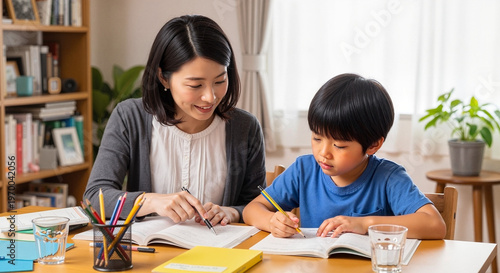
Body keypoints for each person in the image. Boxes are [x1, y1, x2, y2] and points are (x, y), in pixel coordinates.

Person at [84, 15, 266, 226]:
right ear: (163, 78)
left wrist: (232, 212)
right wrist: (150, 201)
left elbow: (257, 205)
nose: (210, 97)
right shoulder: (129, 117)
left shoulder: (245, 127)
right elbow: (94, 199)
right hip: (151, 253)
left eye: (220, 81)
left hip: (220, 255)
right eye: (195, 85)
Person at [243, 73, 446, 239]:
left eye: (339, 145)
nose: (323, 153)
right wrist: (272, 222)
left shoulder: (389, 177)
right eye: (317, 138)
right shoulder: (304, 170)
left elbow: (435, 224)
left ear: (373, 144)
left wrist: (364, 223)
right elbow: (252, 209)